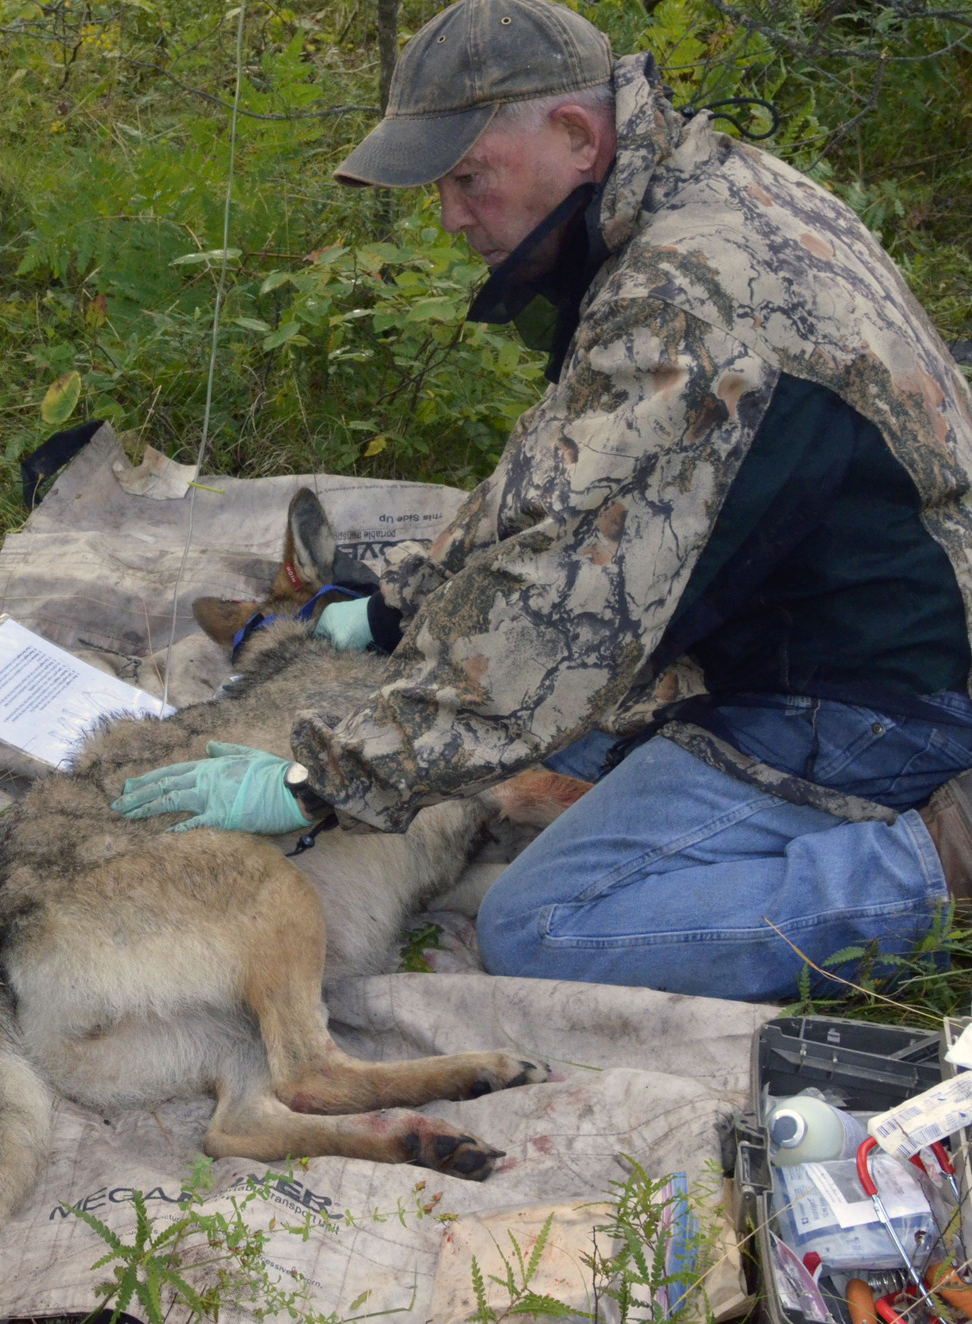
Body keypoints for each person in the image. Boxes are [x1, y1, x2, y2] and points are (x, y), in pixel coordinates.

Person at [112, 0, 972, 1003]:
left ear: (574, 135)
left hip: (880, 689)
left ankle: (929, 867)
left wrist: (321, 782)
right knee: (513, 721)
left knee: (543, 923)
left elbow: (554, 608)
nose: (448, 216)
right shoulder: (688, 192)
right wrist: (391, 610)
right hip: (827, 611)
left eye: (465, 177)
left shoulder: (681, 304)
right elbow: (562, 471)